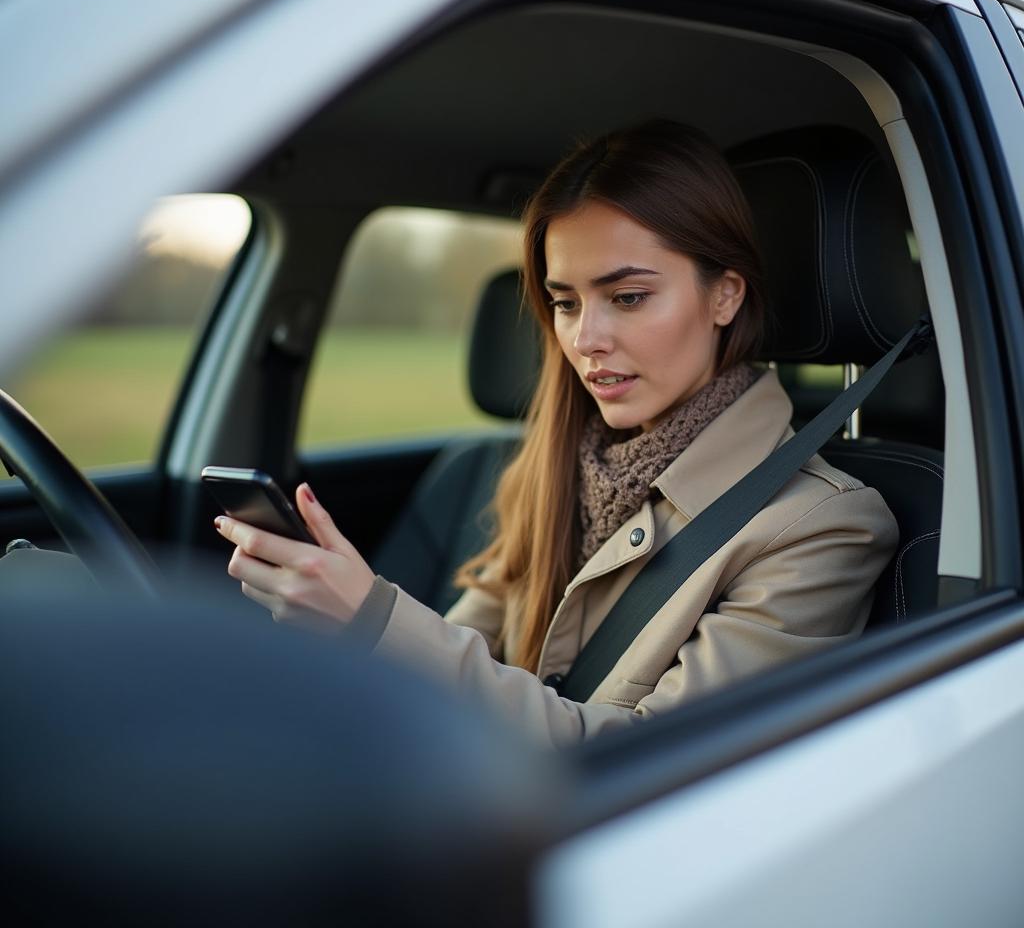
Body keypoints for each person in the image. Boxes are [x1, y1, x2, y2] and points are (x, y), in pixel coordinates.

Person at [216, 120, 898, 747]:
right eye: (565, 302)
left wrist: (372, 620)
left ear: (725, 294)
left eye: (627, 297)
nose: (584, 339)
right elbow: (458, 651)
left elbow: (645, 763)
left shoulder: (823, 528)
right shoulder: (548, 471)